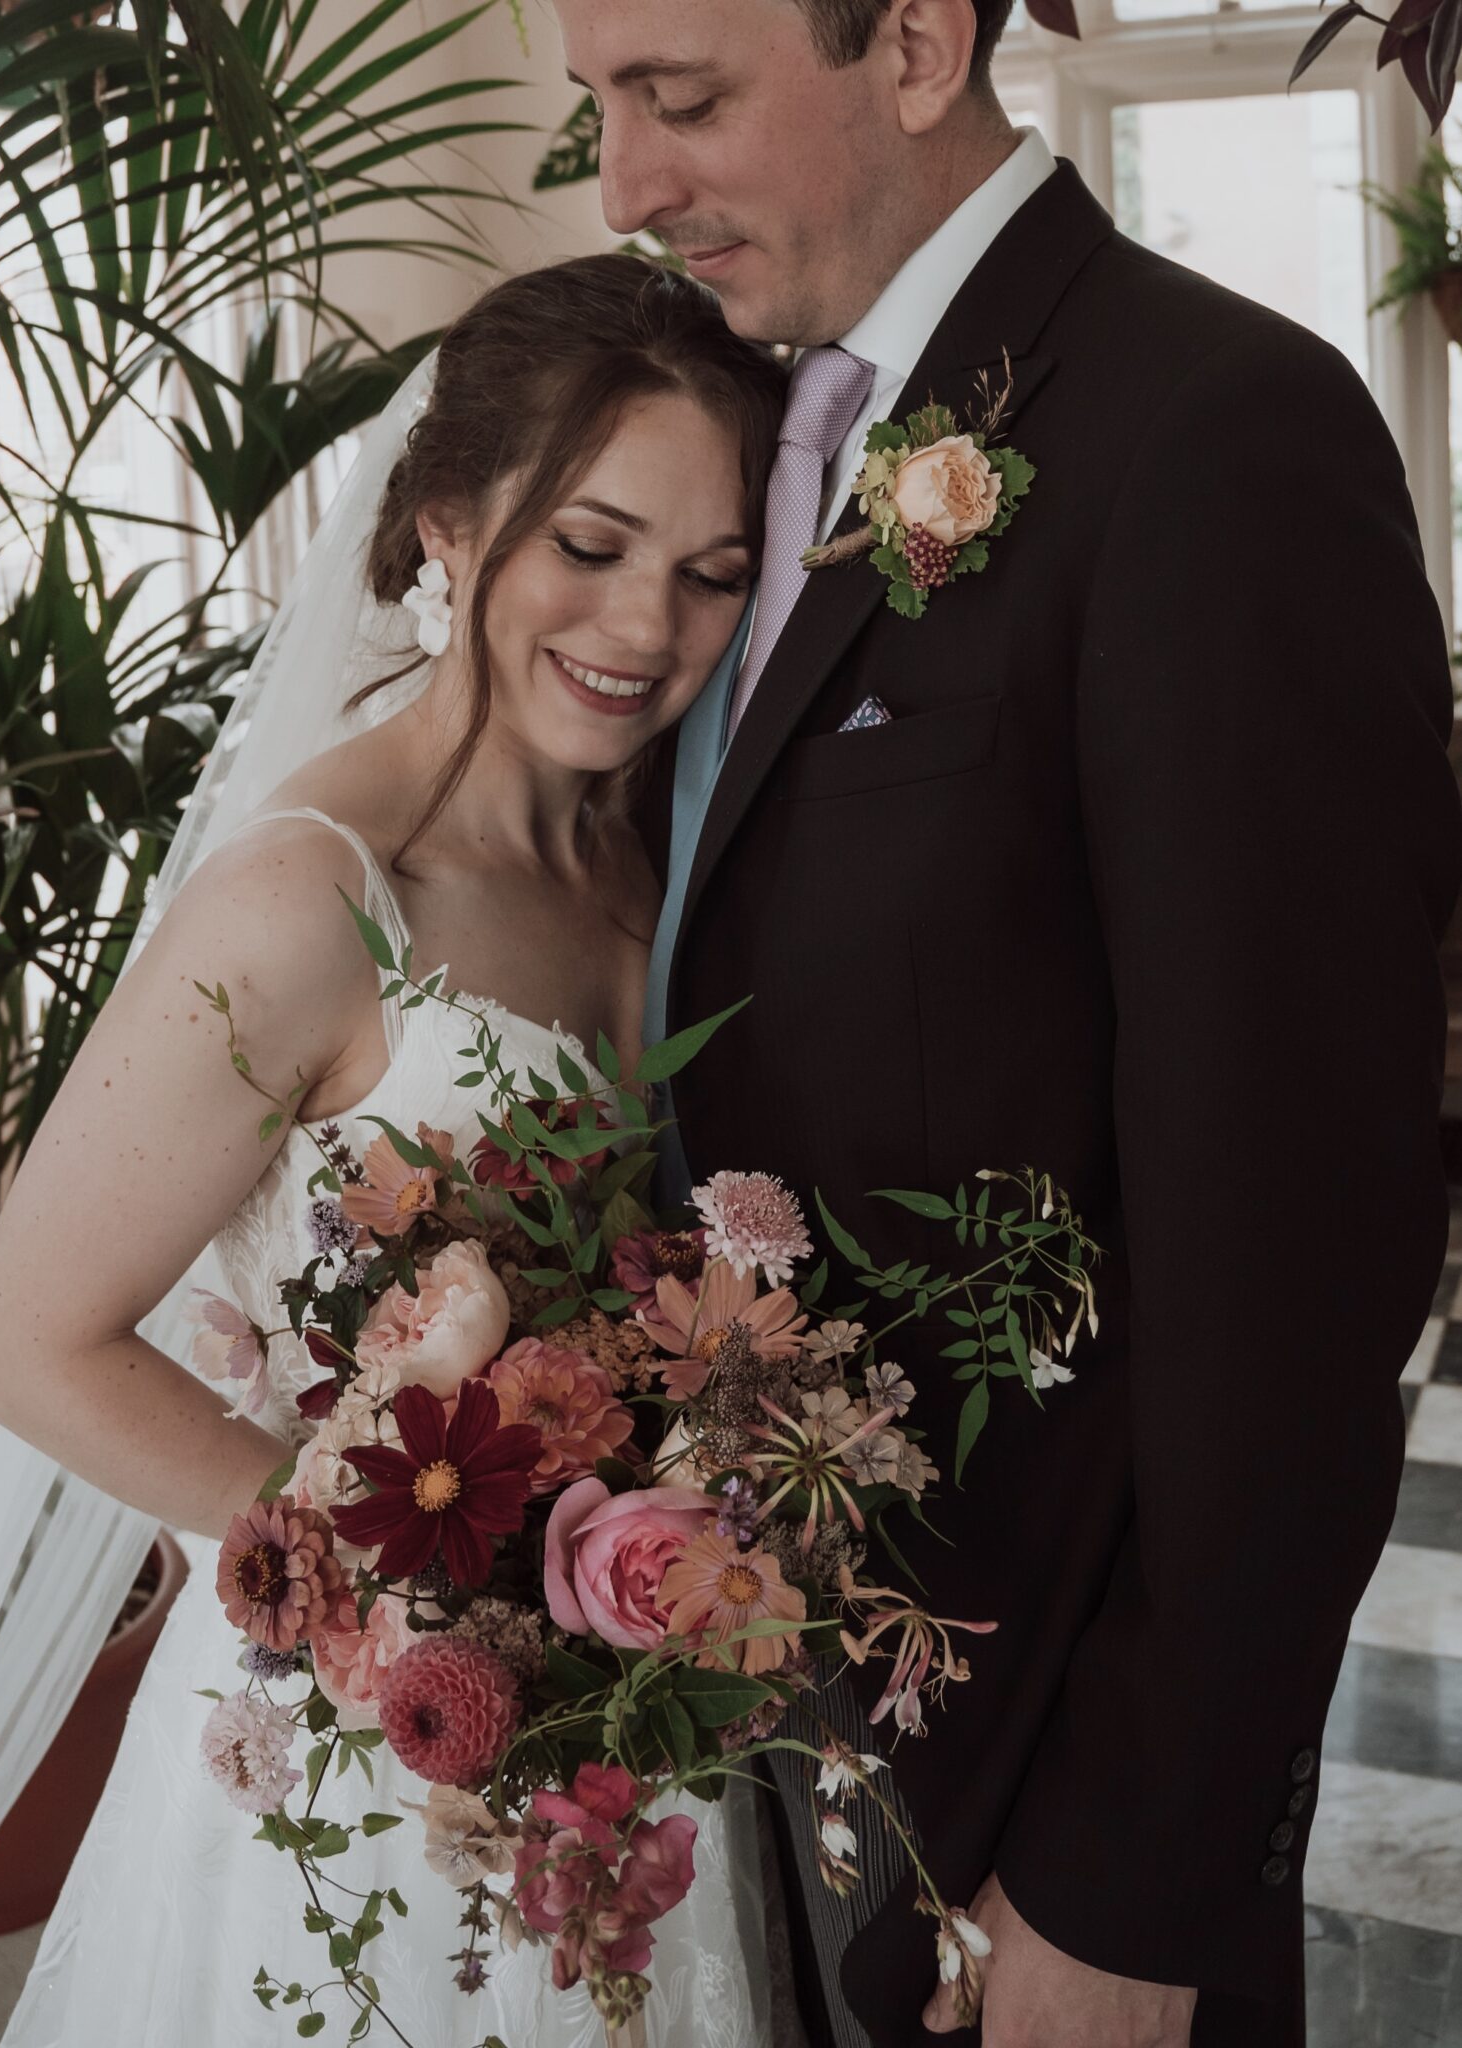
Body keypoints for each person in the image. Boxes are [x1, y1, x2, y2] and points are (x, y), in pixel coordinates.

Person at [550, 2, 1462, 2046]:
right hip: (737, 1728)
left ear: (915, 43)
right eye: (596, 108)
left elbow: (1301, 1233)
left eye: (679, 101)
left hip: (1042, 1794)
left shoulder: (1215, 428)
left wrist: (1141, 1864)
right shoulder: (720, 431)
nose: (622, 186)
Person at [0, 254, 791, 2048]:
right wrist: (386, 1594)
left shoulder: (653, 864)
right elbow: (27, 1339)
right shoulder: (310, 899)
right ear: (447, 524)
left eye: (711, 572)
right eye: (591, 545)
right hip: (360, 1744)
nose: (647, 625)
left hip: (628, 1728)